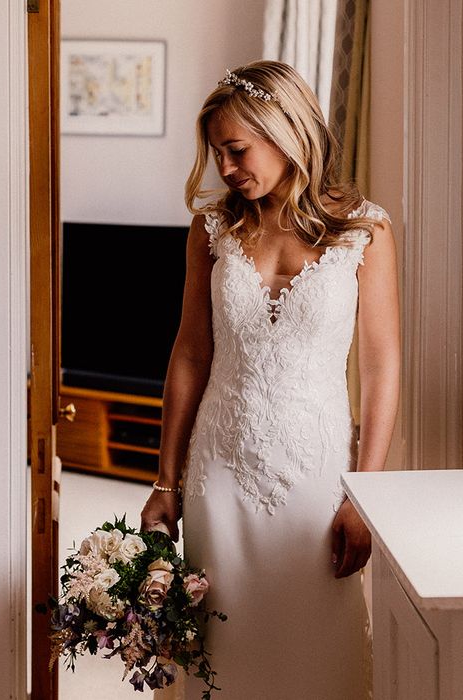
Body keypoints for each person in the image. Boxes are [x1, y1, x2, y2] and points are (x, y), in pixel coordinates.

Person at [140, 60, 400, 699]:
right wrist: (164, 481)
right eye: (217, 154)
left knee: (314, 649)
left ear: (285, 131)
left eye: (235, 150)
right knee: (221, 650)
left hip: (316, 476)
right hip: (219, 469)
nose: (224, 170)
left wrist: (363, 495)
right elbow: (189, 355)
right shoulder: (212, 232)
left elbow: (380, 363)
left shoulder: (364, 228)